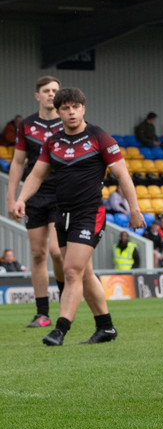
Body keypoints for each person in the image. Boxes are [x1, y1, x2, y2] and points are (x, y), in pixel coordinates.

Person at [12, 87, 145, 346]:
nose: (71, 112)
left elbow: (122, 174)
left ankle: (60, 329)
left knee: (71, 270)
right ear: (59, 111)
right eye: (66, 108)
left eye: (76, 107)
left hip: (90, 213)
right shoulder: (53, 142)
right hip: (63, 214)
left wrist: (135, 209)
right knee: (83, 273)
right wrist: (20, 199)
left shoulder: (99, 137)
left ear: (83, 108)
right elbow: (37, 175)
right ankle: (105, 327)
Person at [5, 76, 65, 327]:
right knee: (38, 254)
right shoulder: (27, 125)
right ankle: (43, 314)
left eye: (55, 90)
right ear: (37, 95)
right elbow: (18, 163)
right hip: (35, 195)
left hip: (62, 194)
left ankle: (66, 304)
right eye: (46, 91)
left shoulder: (70, 121)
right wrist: (12, 198)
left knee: (56, 252)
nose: (51, 94)